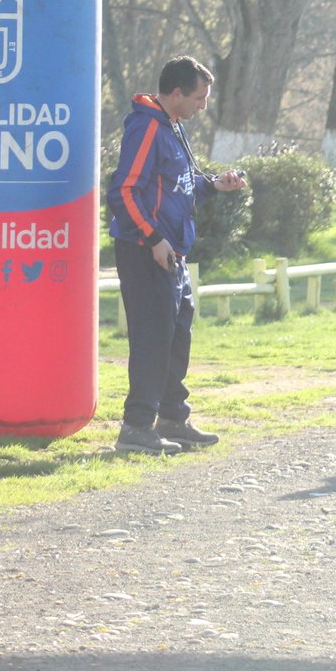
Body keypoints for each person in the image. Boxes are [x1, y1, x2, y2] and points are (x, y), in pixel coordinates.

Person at [107, 56, 248, 455]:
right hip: (145, 251)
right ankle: (136, 428)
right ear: (175, 93)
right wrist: (153, 239)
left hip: (172, 253)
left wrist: (215, 185)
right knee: (153, 338)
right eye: (199, 97)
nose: (203, 104)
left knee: (176, 334)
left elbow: (179, 186)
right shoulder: (146, 127)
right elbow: (123, 191)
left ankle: (173, 417)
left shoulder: (174, 126)